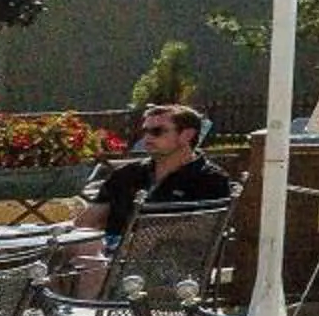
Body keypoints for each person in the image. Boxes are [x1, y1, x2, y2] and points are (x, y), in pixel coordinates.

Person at [74, 103, 234, 244]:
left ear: (187, 135)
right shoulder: (125, 174)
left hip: (173, 264)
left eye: (157, 131)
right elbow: (87, 221)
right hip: (109, 258)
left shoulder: (211, 179)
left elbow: (208, 227)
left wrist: (152, 236)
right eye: (145, 131)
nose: (148, 138)